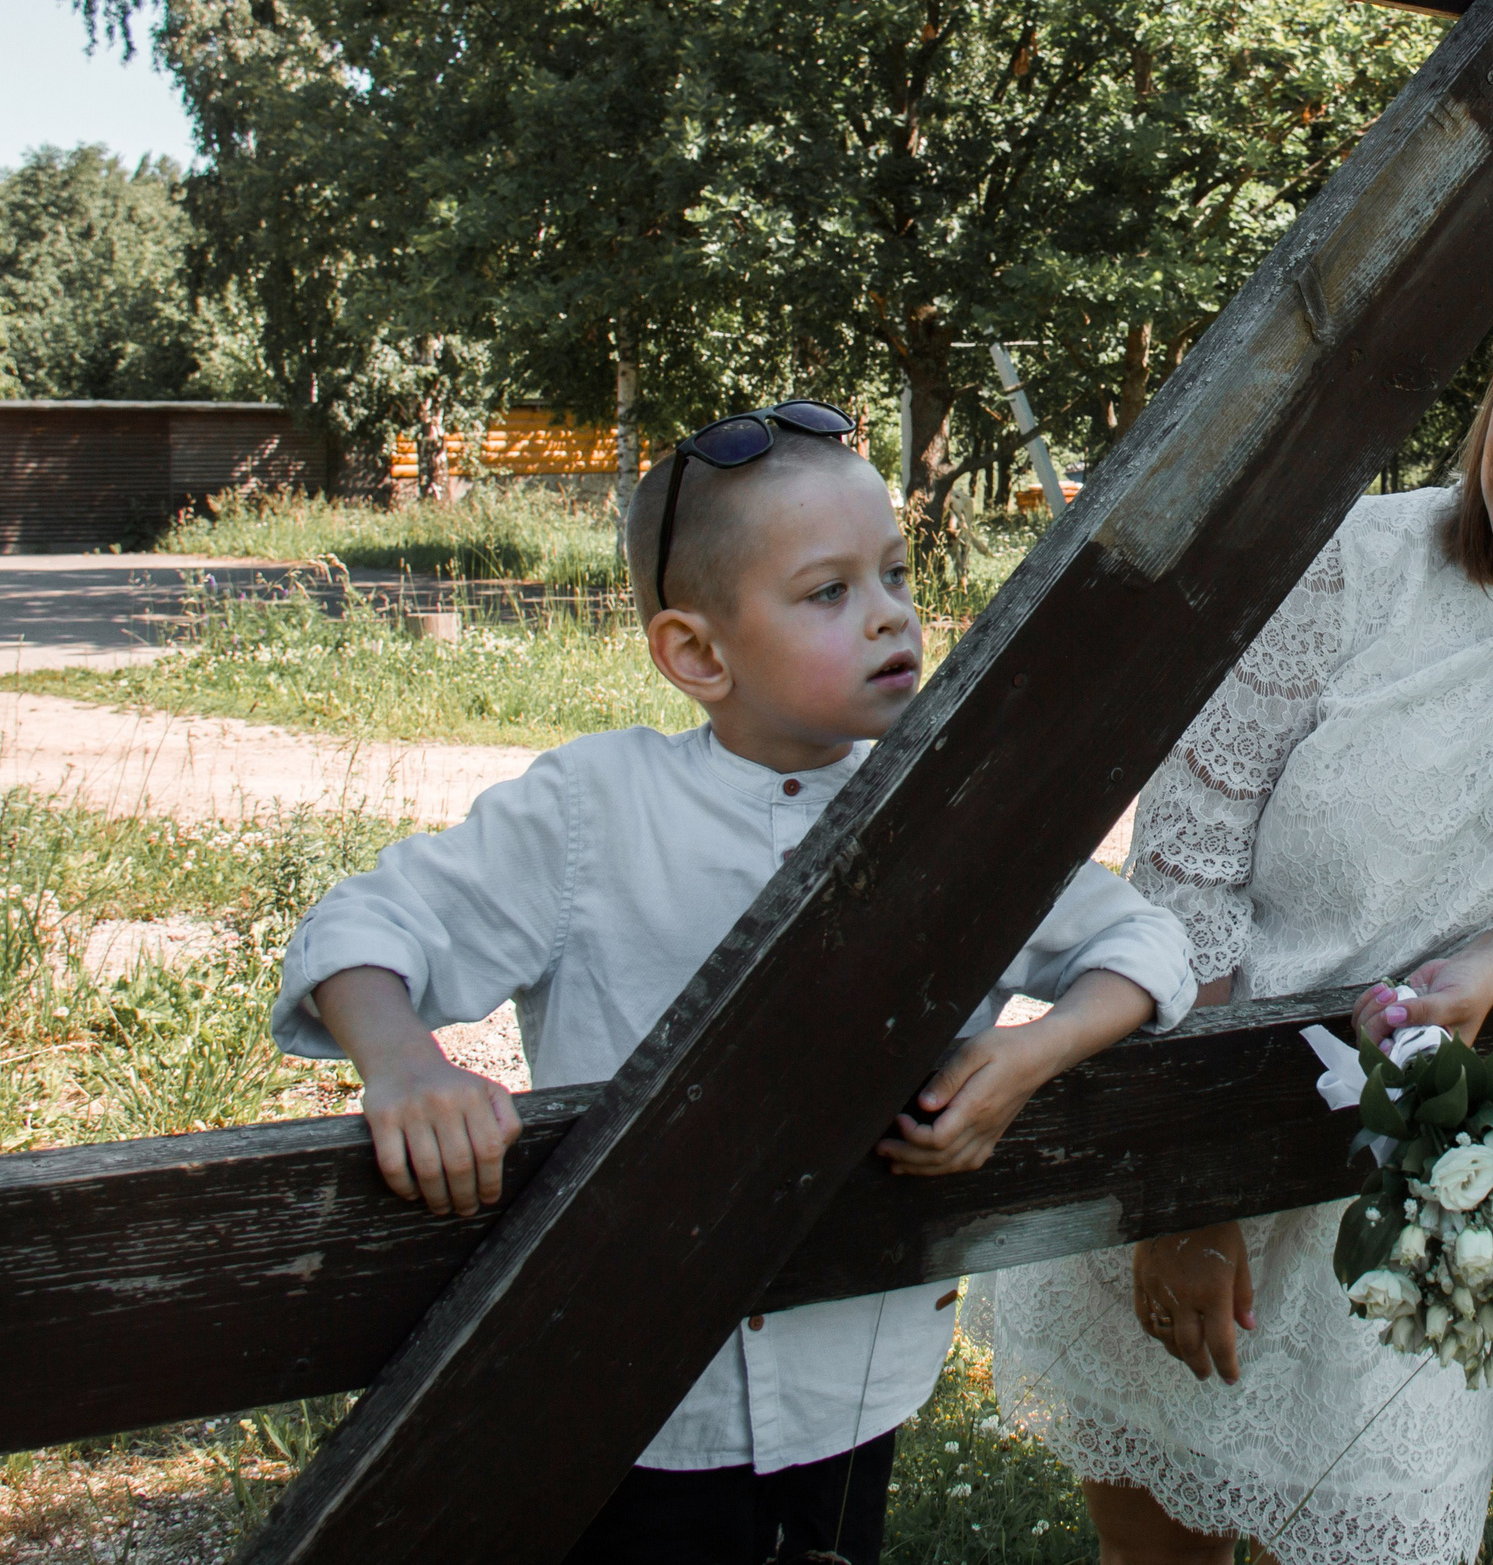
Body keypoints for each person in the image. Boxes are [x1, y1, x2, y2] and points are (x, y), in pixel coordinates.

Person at [268, 404, 1198, 1565]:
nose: (891, 613)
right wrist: (404, 1060)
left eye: (895, 573)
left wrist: (1031, 1053)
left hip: (851, 1379)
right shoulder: (591, 811)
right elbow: (364, 922)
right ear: (695, 654)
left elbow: (1149, 946)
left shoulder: (957, 816)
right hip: (635, 1396)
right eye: (828, 593)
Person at [973, 244, 1493, 1565]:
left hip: (1416, 1203)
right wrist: (1187, 1190)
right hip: (1211, 1125)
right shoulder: (1353, 563)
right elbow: (1186, 855)